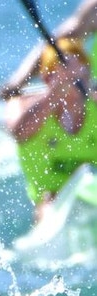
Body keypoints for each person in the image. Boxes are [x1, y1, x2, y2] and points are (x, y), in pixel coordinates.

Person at [5, 38, 97, 222]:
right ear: (48, 78)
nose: (76, 81)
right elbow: (20, 132)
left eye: (81, 74)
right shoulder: (20, 104)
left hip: (92, 194)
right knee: (49, 202)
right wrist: (56, 92)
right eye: (68, 76)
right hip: (50, 203)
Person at [0, 0, 97, 97]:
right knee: (65, 46)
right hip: (89, 99)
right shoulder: (94, 8)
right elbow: (52, 43)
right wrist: (19, 80)